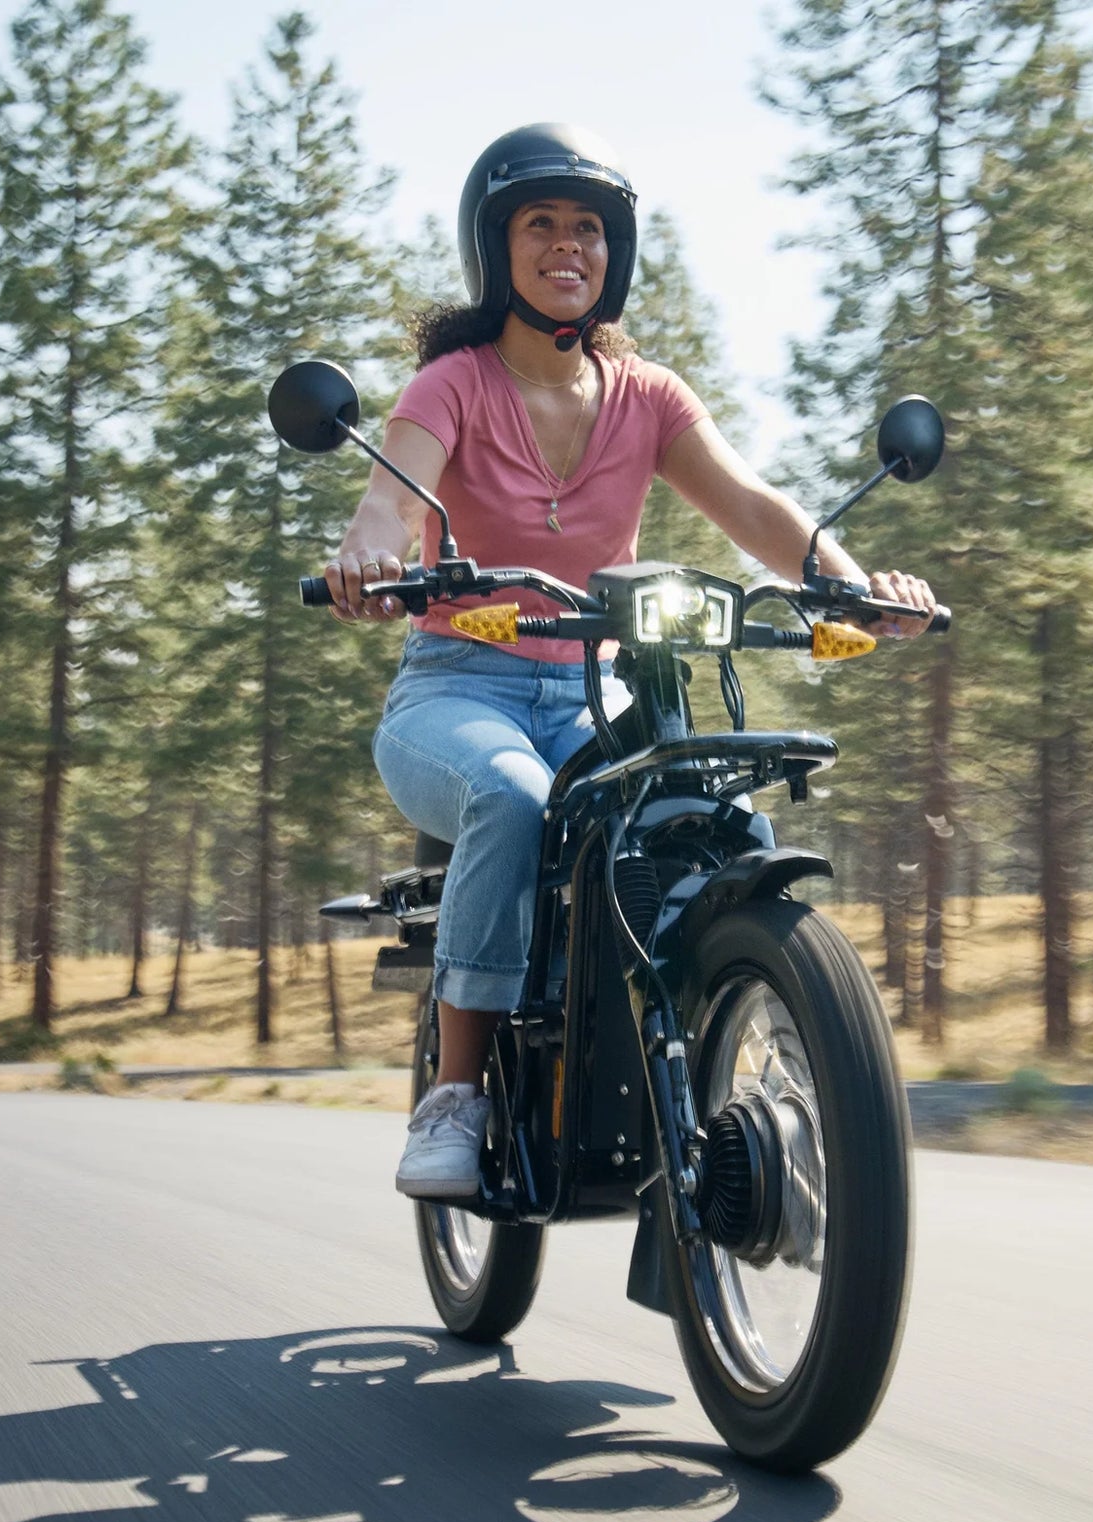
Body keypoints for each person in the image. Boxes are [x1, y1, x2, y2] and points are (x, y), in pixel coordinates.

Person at [325, 124, 936, 1199]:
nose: (569, 245)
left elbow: (752, 506)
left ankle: (760, 1057)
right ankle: (455, 1095)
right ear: (495, 247)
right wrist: (369, 554)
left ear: (616, 253)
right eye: (541, 224)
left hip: (590, 688)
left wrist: (852, 582)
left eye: (589, 229)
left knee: (716, 813)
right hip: (455, 687)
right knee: (511, 802)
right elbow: (390, 498)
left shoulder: (646, 395)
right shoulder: (450, 385)